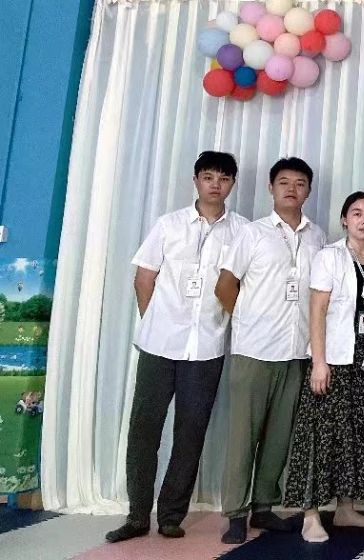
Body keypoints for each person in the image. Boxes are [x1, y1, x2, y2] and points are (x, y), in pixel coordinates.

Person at [105, 151, 248, 543]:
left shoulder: (243, 231)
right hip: (159, 344)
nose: (215, 184)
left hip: (207, 348)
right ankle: (137, 515)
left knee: (191, 432)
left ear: (233, 184)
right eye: (208, 176)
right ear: (195, 180)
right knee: (144, 429)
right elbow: (144, 278)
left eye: (223, 178)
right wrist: (156, 321)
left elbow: (242, 285)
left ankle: (171, 515)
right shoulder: (168, 224)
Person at [215, 157, 327, 545]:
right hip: (254, 351)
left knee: (280, 436)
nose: (291, 189)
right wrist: (247, 319)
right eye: (284, 182)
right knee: (242, 437)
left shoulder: (317, 237)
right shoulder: (252, 233)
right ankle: (235, 513)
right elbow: (224, 286)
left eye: (299, 183)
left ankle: (263, 506)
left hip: (296, 352)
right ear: (271, 188)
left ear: (308, 190)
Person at [282, 191, 364, 542]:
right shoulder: (330, 256)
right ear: (344, 220)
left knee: (356, 434)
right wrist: (319, 362)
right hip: (333, 357)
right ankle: (310, 514)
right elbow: (317, 310)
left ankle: (346, 507)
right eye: (356, 213)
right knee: (318, 434)